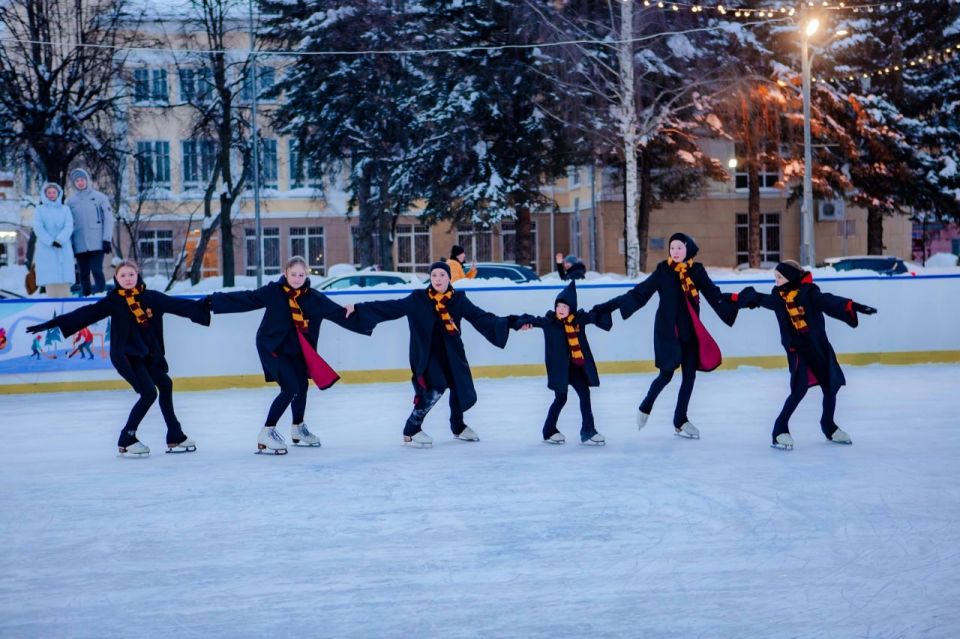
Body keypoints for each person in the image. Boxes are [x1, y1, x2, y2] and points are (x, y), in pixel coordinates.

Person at [26, 260, 210, 456]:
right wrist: (54, 323)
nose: (127, 278)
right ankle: (127, 437)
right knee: (149, 393)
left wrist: (208, 304)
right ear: (116, 279)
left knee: (165, 384)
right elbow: (87, 314)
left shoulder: (151, 298)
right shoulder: (113, 301)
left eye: (131, 274)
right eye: (123, 276)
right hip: (126, 356)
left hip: (148, 353)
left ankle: (175, 435)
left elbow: (178, 305)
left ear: (137, 275)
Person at [208, 256, 371, 455]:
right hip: (272, 346)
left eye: (301, 274)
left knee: (301, 385)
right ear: (285, 273)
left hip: (297, 350)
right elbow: (246, 299)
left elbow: (338, 314)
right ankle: (267, 431)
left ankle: (298, 428)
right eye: (293, 274)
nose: (297, 278)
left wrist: (366, 314)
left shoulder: (313, 298)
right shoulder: (274, 292)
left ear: (306, 275)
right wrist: (213, 302)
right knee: (290, 387)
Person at [346, 261, 515, 448]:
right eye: (434, 275)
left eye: (442, 275)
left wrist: (511, 323)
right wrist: (359, 308)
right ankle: (411, 429)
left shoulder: (458, 299)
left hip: (452, 351)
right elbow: (392, 307)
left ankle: (457, 426)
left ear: (449, 277)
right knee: (437, 386)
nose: (438, 279)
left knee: (458, 385)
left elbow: (480, 317)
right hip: (427, 353)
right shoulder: (419, 299)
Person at [598, 233, 738, 439]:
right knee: (666, 375)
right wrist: (609, 307)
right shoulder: (664, 271)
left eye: (679, 248)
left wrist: (741, 299)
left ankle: (680, 419)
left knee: (689, 377)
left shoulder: (696, 271)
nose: (675, 252)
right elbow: (640, 293)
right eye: (672, 248)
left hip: (690, 333)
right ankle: (646, 406)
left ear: (688, 249)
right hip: (668, 334)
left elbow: (715, 295)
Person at [731, 260, 877, 450]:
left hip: (817, 348)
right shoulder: (779, 297)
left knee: (830, 386)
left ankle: (829, 426)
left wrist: (852, 306)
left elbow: (827, 300)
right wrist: (731, 299)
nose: (776, 281)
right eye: (775, 277)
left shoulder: (809, 293)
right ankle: (779, 429)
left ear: (790, 277)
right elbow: (759, 298)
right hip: (797, 350)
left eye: (779, 277)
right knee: (799, 389)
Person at [513, 281, 613, 445]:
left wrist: (612, 308)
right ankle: (549, 430)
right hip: (559, 369)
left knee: (584, 394)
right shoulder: (550, 322)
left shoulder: (577, 321)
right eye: (558, 306)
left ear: (571, 309)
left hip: (574, 368)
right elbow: (533, 319)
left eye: (565, 307)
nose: (560, 309)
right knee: (561, 399)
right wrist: (520, 324)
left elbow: (595, 316)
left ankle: (588, 430)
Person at [67, 168, 113, 296]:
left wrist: (107, 239)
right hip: (79, 243)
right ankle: (85, 297)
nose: (80, 183)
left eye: (82, 180)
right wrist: (70, 243)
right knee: (83, 273)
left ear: (87, 180)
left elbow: (108, 219)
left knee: (97, 270)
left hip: (97, 242)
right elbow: (68, 224)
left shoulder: (99, 198)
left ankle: (102, 296)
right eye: (77, 181)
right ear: (74, 183)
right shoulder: (71, 202)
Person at [32, 182, 75, 298]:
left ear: (58, 194)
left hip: (63, 247)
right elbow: (38, 227)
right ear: (45, 194)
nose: (51, 195)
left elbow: (69, 225)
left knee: (64, 284)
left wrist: (60, 240)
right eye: (49, 192)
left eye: (54, 192)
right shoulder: (39, 210)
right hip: (47, 249)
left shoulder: (65, 209)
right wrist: (50, 241)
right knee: (50, 283)